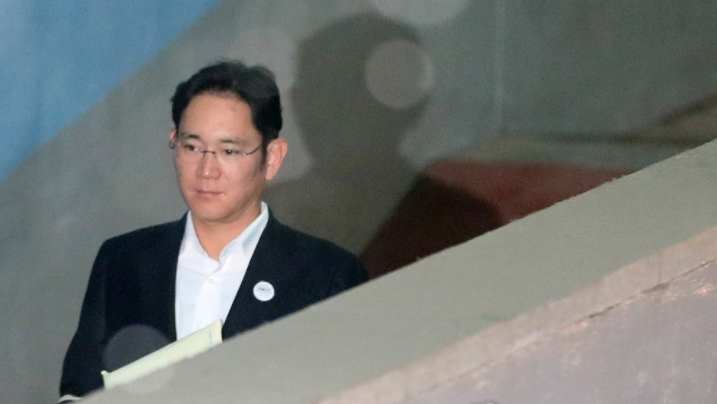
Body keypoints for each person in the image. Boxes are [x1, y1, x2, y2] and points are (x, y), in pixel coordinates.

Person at [59, 61, 368, 402]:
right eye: (192, 147)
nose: (206, 170)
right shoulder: (123, 261)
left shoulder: (326, 275)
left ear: (272, 158)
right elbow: (79, 388)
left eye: (229, 151)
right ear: (174, 143)